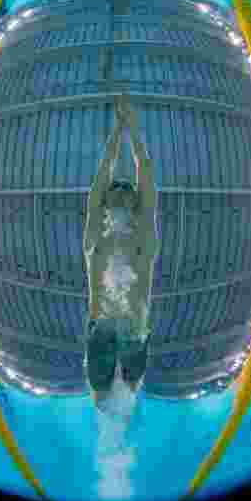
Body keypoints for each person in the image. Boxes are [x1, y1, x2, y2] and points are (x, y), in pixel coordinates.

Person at [83, 96, 160, 409]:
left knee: (128, 391)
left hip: (134, 330)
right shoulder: (94, 236)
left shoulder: (144, 235)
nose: (122, 190)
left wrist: (134, 130)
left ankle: (123, 429)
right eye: (116, 187)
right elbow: (103, 172)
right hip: (101, 326)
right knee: (100, 396)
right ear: (104, 200)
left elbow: (147, 174)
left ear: (136, 201)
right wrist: (117, 131)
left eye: (128, 189)